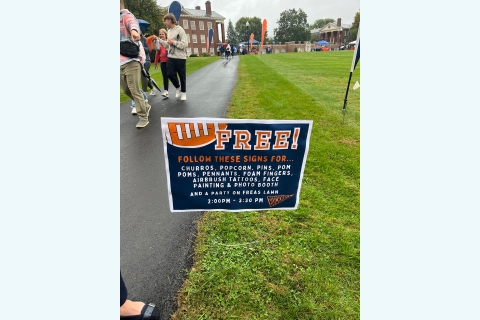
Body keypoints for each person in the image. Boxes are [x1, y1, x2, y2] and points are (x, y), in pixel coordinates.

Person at [120, 0, 152, 128]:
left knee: (134, 88)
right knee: (126, 89)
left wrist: (134, 32)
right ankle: (145, 105)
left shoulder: (126, 16)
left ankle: (143, 116)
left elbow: (133, 24)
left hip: (132, 60)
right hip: (119, 62)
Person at [156, 13, 188, 101]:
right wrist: (159, 40)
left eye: (165, 21)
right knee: (169, 74)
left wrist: (174, 43)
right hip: (171, 56)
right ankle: (177, 87)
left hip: (180, 57)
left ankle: (183, 92)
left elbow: (185, 44)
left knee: (182, 76)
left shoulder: (180, 30)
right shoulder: (169, 31)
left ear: (170, 20)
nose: (164, 23)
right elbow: (167, 45)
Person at [154, 29, 169, 98]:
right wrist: (156, 62)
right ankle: (166, 91)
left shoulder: (168, 41)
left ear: (165, 35)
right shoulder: (158, 43)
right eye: (160, 34)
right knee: (165, 77)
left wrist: (168, 50)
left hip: (170, 61)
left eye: (162, 34)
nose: (161, 35)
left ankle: (178, 87)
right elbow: (157, 53)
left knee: (172, 75)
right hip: (163, 62)